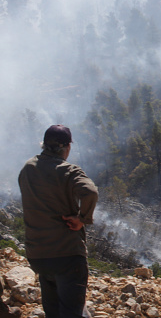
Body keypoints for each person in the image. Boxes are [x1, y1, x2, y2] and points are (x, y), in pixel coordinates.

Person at [18, 125, 98, 318]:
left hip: (38, 255)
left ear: (44, 145)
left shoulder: (28, 168)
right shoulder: (68, 171)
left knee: (52, 311)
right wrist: (82, 219)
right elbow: (90, 192)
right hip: (67, 255)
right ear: (67, 148)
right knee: (73, 312)